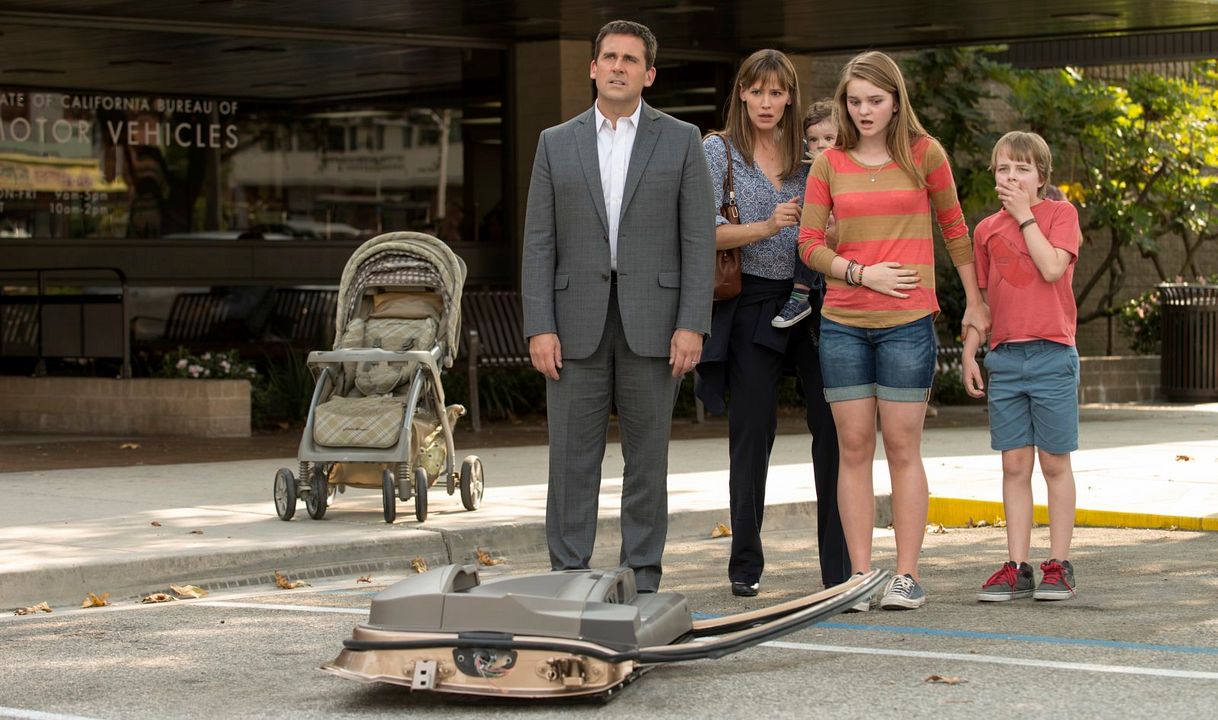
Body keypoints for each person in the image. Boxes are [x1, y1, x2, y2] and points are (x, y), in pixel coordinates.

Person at [520, 20, 715, 593]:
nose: (618, 66)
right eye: (609, 56)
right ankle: (568, 576)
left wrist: (691, 324)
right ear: (592, 66)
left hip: (655, 325)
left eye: (631, 59)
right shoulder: (555, 142)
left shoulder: (680, 139)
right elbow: (538, 243)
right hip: (572, 322)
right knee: (571, 462)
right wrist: (539, 325)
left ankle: (642, 579)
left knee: (647, 462)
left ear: (648, 74)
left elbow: (698, 240)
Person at [797, 51, 990, 610]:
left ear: (896, 99)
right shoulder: (829, 164)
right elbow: (809, 246)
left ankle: (906, 575)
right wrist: (861, 272)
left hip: (908, 323)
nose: (863, 111)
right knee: (853, 448)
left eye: (874, 101)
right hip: (843, 324)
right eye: (854, 102)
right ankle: (860, 576)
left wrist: (974, 303)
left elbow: (955, 232)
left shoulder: (924, 154)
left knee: (903, 447)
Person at [695, 50, 849, 598]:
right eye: (756, 91)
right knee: (751, 432)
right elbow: (702, 232)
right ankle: (745, 565)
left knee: (833, 429)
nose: (766, 102)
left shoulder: (815, 154)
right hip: (752, 301)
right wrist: (763, 227)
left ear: (790, 97)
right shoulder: (718, 151)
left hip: (815, 300)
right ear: (741, 93)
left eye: (776, 92)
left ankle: (839, 568)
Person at [962, 131, 1081, 602]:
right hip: (1006, 360)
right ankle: (1017, 564)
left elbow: (1053, 268)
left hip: (1051, 354)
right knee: (1014, 464)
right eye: (1004, 169)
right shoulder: (986, 230)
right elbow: (985, 302)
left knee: (1054, 461)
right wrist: (971, 350)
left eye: (1022, 169)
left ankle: (1059, 562)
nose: (1012, 177)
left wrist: (1025, 215)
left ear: (1042, 177)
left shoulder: (1060, 215)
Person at [772, 99, 840, 329]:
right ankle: (801, 298)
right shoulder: (809, 170)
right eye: (813, 140)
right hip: (820, 260)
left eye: (829, 139)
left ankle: (800, 296)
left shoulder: (849, 167)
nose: (821, 145)